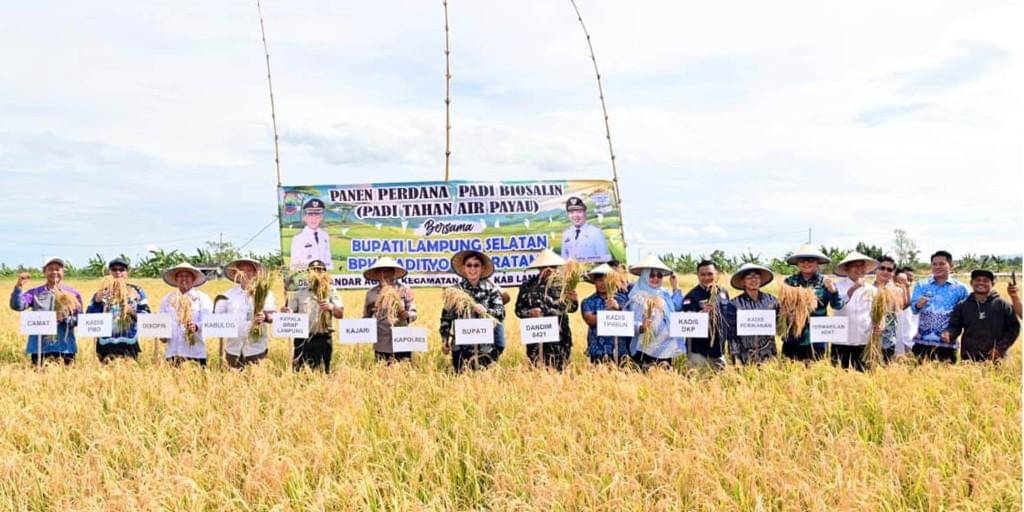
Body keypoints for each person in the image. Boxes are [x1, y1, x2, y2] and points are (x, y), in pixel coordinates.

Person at [9, 257, 83, 365]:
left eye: (58, 269)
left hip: (65, 347)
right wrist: (19, 286)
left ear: (63, 272)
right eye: (50, 269)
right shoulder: (34, 293)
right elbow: (17, 306)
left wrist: (65, 319)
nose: (54, 272)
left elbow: (80, 319)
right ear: (44, 272)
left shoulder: (72, 294)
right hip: (39, 348)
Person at [440, 251, 505, 372]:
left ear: (482, 268)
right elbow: (446, 319)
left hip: (486, 348)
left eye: (476, 265)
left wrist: (486, 310)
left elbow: (501, 312)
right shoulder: (455, 291)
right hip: (460, 348)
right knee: (461, 383)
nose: (472, 269)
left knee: (485, 384)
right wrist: (444, 339)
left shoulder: (491, 290)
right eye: (469, 265)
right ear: (464, 268)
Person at [515, 249, 579, 370]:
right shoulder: (528, 285)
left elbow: (572, 309)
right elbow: (518, 310)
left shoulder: (564, 284)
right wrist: (529, 313)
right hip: (536, 338)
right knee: (537, 372)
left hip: (560, 339)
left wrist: (574, 300)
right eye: (545, 266)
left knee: (561, 371)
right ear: (539, 268)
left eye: (552, 266)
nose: (549, 269)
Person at [781, 244, 843, 361]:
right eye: (802, 261)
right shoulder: (789, 282)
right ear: (798, 264)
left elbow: (837, 305)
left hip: (816, 338)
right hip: (792, 337)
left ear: (817, 263)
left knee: (816, 374)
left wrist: (833, 291)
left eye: (810, 260)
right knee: (789, 372)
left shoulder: (825, 282)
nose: (806, 264)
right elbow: (783, 308)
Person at [943, 270, 1020, 361]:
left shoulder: (1002, 305)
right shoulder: (962, 305)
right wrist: (949, 334)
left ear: (993, 284)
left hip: (996, 358)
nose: (981, 283)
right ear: (971, 283)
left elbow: (1013, 328)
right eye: (977, 280)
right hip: (969, 358)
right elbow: (954, 326)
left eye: (985, 280)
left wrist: (999, 348)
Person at [216, 258, 277, 368]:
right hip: (233, 350)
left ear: (255, 273)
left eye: (249, 270)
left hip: (256, 350)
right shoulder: (228, 295)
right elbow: (216, 318)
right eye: (242, 270)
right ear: (236, 274)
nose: (245, 274)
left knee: (258, 384)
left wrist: (265, 316)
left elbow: (274, 317)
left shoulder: (265, 293)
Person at [627, 254, 685, 370]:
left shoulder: (665, 293)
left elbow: (677, 307)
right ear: (644, 276)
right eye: (651, 275)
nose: (656, 279)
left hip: (666, 348)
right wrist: (642, 327)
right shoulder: (637, 297)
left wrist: (675, 287)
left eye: (659, 275)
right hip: (645, 348)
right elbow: (630, 322)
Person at [87, 257, 150, 363]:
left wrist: (131, 311)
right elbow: (88, 319)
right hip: (105, 344)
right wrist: (97, 301)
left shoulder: (136, 292)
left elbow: (147, 317)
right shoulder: (102, 292)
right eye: (114, 269)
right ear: (109, 272)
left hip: (129, 342)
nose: (118, 272)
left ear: (127, 273)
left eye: (121, 269)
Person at [284, 260, 344, 372]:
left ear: (325, 273)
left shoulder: (331, 292)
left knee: (323, 371)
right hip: (302, 340)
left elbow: (340, 314)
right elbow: (290, 313)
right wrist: (287, 312)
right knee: (300, 372)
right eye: (313, 271)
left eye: (320, 270)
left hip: (323, 338)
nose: (317, 273)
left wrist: (331, 307)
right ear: (309, 274)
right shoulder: (299, 293)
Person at [910, 251, 969, 362]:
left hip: (947, 344)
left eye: (942, 264)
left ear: (951, 266)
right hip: (922, 342)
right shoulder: (922, 285)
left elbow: (968, 312)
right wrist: (919, 304)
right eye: (934, 264)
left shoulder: (961, 289)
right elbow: (914, 309)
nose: (938, 267)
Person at [678, 260, 732, 370]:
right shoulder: (691, 296)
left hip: (719, 351)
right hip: (698, 352)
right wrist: (702, 314)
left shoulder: (723, 293)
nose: (706, 277)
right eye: (702, 274)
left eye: (710, 274)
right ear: (698, 276)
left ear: (716, 274)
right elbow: (686, 322)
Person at [363, 257, 417, 363]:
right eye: (381, 271)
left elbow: (414, 313)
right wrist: (368, 315)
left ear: (393, 272)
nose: (385, 274)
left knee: (404, 374)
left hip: (402, 341)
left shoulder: (404, 290)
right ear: (376, 274)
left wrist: (405, 314)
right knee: (382, 375)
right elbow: (366, 318)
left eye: (388, 270)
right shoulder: (371, 294)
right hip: (381, 343)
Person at [832, 252, 879, 371]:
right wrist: (855, 287)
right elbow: (837, 304)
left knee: (863, 378)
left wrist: (879, 324)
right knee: (839, 378)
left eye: (861, 266)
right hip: (841, 341)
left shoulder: (873, 290)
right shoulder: (836, 287)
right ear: (846, 269)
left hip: (864, 341)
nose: (859, 269)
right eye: (855, 266)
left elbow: (877, 312)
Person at [159, 262, 213, 366]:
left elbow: (209, 320)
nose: (184, 279)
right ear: (176, 279)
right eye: (180, 276)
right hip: (173, 352)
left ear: (193, 279)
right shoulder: (167, 299)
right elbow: (162, 321)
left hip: (195, 353)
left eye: (187, 276)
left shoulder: (202, 298)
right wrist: (162, 335)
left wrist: (196, 327)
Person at [727, 263, 779, 364]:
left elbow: (780, 322)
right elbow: (731, 333)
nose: (753, 280)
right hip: (745, 354)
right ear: (743, 282)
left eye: (756, 277)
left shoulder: (772, 300)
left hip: (768, 353)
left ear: (760, 280)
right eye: (749, 277)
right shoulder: (734, 303)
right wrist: (735, 356)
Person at [580, 263, 631, 364]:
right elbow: (590, 320)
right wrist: (608, 311)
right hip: (598, 350)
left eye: (606, 280)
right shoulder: (588, 301)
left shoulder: (623, 299)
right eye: (599, 280)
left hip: (621, 349)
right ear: (594, 282)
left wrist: (617, 308)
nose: (603, 283)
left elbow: (630, 320)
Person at [873, 256, 909, 359]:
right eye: (882, 268)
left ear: (893, 273)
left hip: (888, 342)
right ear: (876, 269)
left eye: (889, 270)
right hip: (868, 340)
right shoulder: (867, 290)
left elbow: (900, 308)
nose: (885, 271)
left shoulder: (898, 291)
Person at [559, 197, 611, 263]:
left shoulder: (596, 232)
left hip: (592, 272)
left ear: (585, 213)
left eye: (579, 212)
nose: (575, 215)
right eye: (571, 212)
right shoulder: (566, 234)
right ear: (568, 215)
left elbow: (605, 259)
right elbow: (563, 260)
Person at [289, 198, 332, 270]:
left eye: (317, 215)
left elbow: (328, 259)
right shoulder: (298, 238)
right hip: (306, 277)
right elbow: (294, 264)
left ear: (321, 218)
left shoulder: (325, 236)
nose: (314, 219)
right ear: (305, 218)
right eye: (310, 215)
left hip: (324, 277)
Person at [894, 266, 918, 355]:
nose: (907, 282)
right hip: (892, 342)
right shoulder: (887, 296)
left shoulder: (915, 299)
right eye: (905, 279)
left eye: (911, 280)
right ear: (896, 278)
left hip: (910, 342)